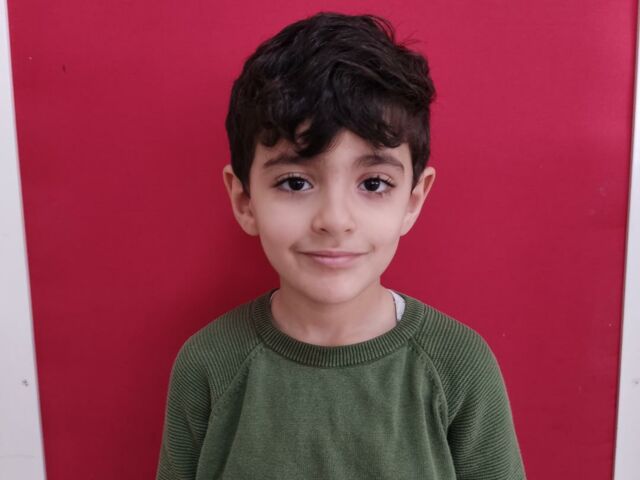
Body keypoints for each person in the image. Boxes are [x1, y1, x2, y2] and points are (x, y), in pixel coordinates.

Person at [156, 11, 525, 480]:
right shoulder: (208, 365)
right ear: (245, 201)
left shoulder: (459, 366)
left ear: (413, 201)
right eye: (295, 182)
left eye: (373, 183)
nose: (334, 220)